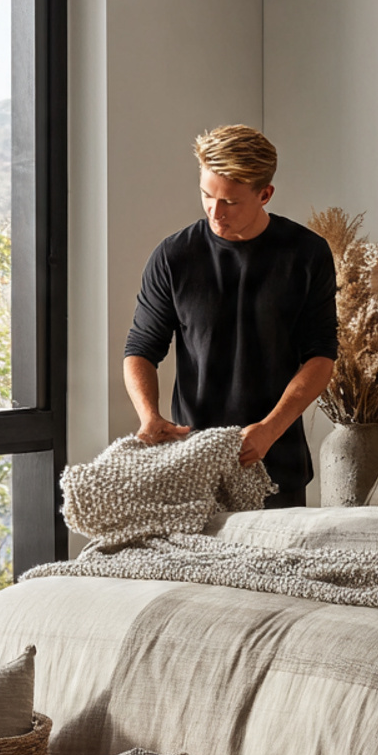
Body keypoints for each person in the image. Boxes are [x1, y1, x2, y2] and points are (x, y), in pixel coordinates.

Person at [123, 125, 337, 506]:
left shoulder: (307, 254)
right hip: (194, 464)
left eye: (231, 202)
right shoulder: (173, 256)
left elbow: (320, 356)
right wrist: (149, 416)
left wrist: (270, 431)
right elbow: (141, 348)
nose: (215, 212)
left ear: (265, 194)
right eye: (207, 195)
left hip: (278, 463)